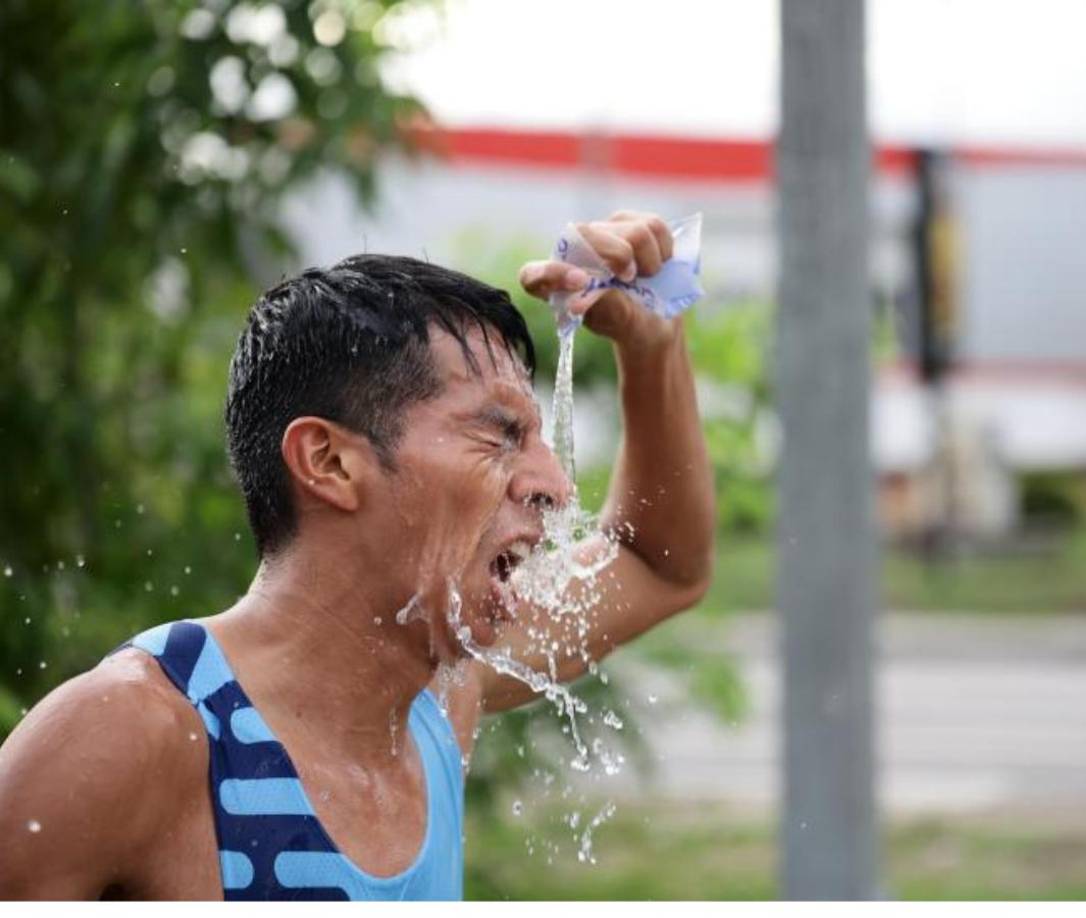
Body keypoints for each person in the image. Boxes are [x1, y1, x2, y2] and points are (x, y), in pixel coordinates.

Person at [0, 211, 715, 900]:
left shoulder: (439, 699)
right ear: (330, 462)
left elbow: (657, 563)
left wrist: (653, 351)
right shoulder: (133, 735)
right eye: (499, 434)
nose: (556, 488)